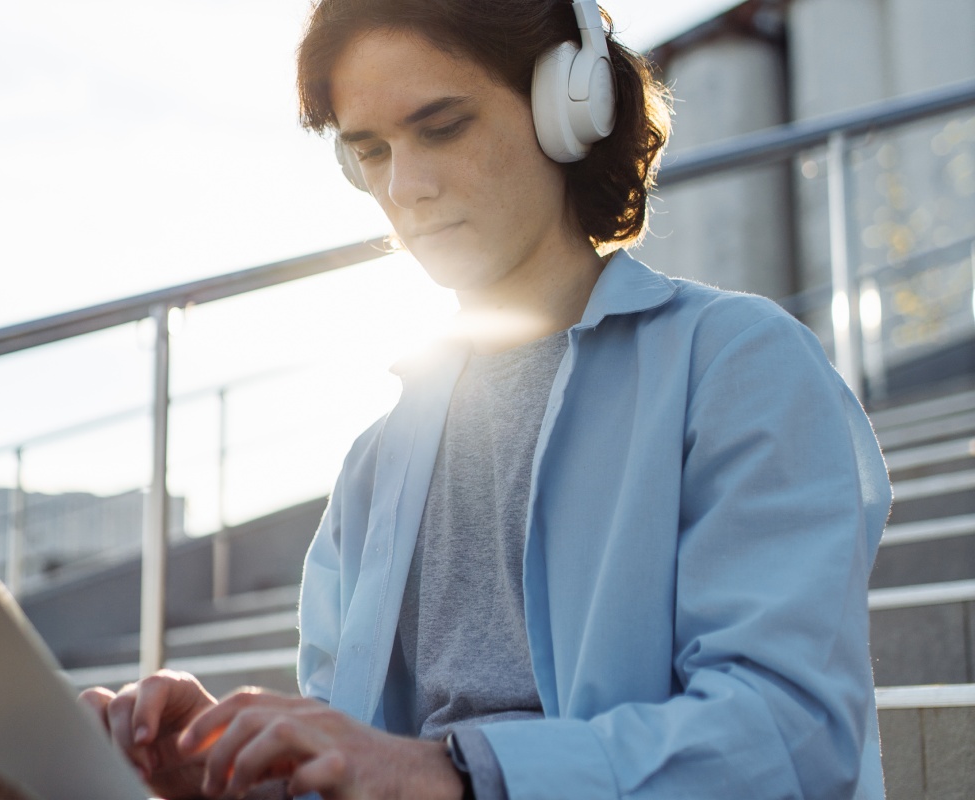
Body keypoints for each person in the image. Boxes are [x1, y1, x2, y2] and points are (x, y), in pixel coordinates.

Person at [78, 1, 892, 798]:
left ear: (568, 109)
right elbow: (352, 759)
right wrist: (225, 766)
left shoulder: (736, 363)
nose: (407, 186)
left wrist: (455, 774)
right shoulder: (375, 460)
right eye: (370, 149)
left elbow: (787, 736)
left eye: (442, 127)